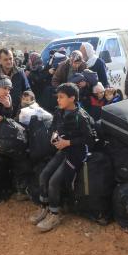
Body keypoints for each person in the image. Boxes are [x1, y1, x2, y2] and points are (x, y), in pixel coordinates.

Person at [29, 83, 96, 232]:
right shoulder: (59, 111)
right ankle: (44, 208)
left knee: (54, 181)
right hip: (63, 150)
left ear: (72, 98)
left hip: (76, 153)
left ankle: (54, 214)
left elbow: (90, 139)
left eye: (61, 97)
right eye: (57, 97)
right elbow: (54, 127)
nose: (58, 100)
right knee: (44, 175)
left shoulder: (81, 116)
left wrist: (68, 142)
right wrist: (54, 136)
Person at [0, 48, 30, 115]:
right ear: (0, 60)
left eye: (10, 59)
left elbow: (27, 90)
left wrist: (28, 102)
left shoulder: (20, 73)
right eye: (5, 59)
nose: (9, 61)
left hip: (17, 113)